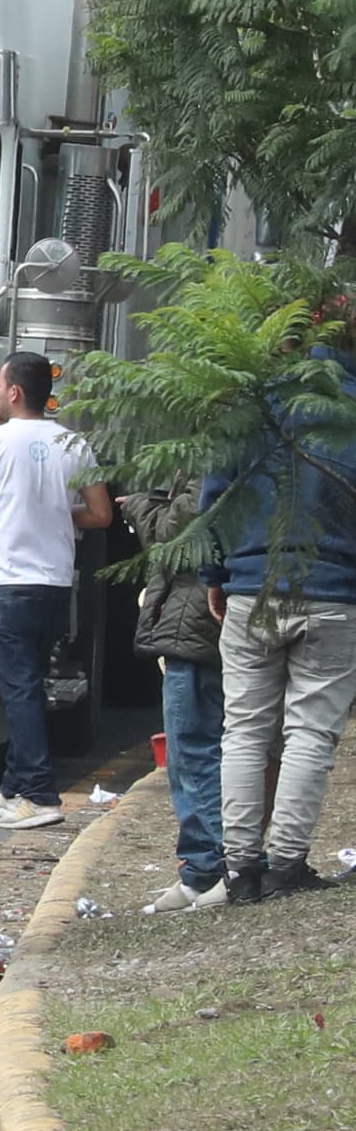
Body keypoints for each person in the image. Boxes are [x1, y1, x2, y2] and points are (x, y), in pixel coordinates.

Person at [198, 333, 356, 903]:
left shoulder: (256, 406)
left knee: (243, 730)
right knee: (311, 732)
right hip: (336, 591)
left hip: (250, 587)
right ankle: (287, 865)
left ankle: (241, 870)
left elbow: (213, 498)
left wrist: (214, 576)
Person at [0, 352, 112, 831]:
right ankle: (12, 786)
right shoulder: (74, 442)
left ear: (14, 392)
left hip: (8, 585)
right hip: (54, 586)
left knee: (20, 689)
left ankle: (39, 794)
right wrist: (55, 511)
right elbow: (101, 515)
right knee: (31, 683)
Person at [127, 478, 229, 911]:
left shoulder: (208, 459)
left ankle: (220, 863)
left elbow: (174, 533)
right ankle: (202, 868)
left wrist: (137, 504)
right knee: (194, 749)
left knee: (192, 749)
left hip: (194, 624)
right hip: (193, 620)